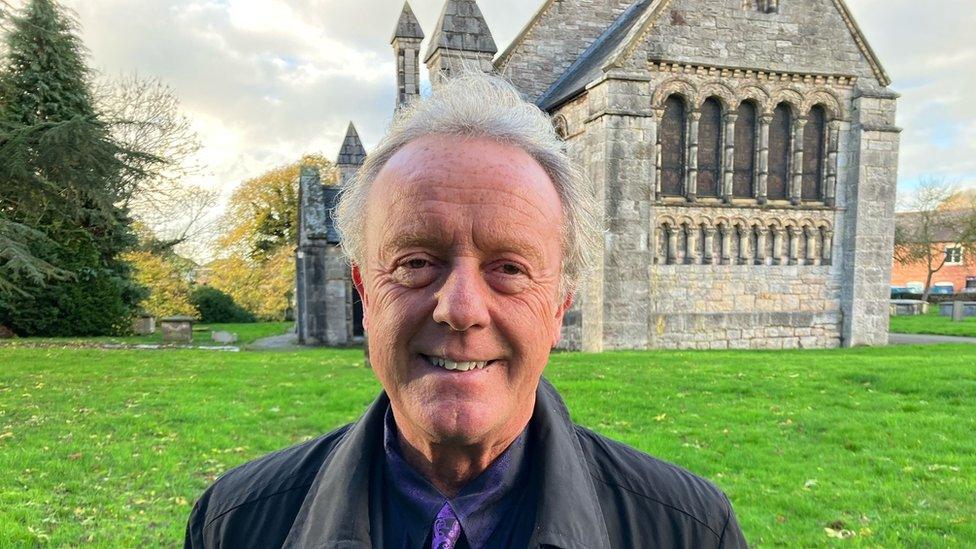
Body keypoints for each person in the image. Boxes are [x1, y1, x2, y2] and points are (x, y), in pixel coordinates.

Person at [185, 72, 748, 549]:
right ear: (364, 293)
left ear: (559, 305)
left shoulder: (690, 529)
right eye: (415, 262)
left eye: (509, 268)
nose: (460, 309)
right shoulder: (234, 524)